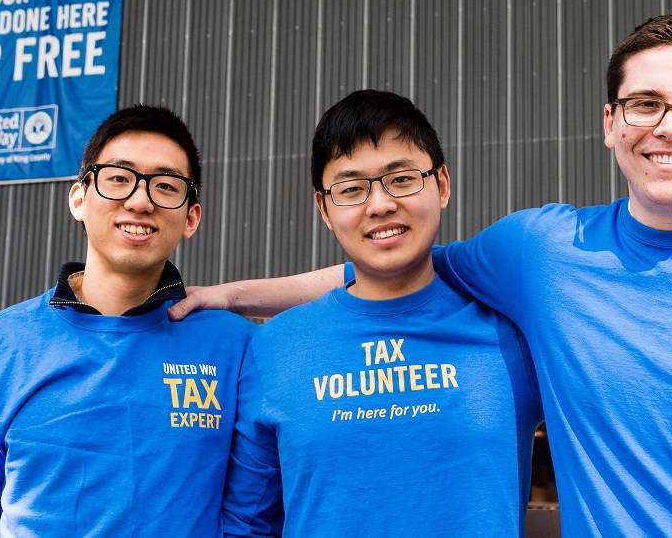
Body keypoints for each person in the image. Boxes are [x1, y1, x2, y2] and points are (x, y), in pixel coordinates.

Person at [169, 14, 672, 535]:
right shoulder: (543, 253)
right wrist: (231, 295)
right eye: (644, 103)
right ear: (610, 123)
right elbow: (392, 259)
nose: (670, 125)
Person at [0, 105, 254, 537]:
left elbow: (251, 518)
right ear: (79, 198)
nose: (140, 200)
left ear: (191, 217)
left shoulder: (234, 348)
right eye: (119, 178)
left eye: (166, 186)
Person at [222, 91, 542, 536]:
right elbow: (246, 523)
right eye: (351, 189)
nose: (379, 205)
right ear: (324, 210)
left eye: (402, 179)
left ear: (442, 185)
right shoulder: (275, 346)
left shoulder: (514, 334)